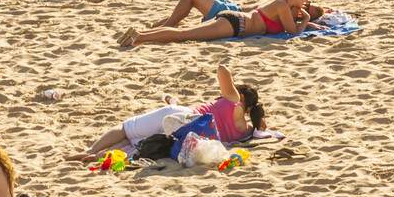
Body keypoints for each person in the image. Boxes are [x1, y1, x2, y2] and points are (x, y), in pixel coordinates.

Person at [68, 65, 266, 164]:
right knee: (136, 145)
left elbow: (222, 70)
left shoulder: (233, 101)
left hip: (183, 116)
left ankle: (90, 150)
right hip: (189, 138)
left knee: (126, 128)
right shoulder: (246, 131)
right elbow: (260, 130)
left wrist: (232, 88)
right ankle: (100, 157)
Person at [119, 0, 324, 47]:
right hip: (235, 25)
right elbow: (293, 32)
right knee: (184, 35)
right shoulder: (282, 5)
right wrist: (305, 19)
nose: (306, 3)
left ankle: (141, 36)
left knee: (185, 33)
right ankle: (140, 37)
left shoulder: (284, 5)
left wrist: (311, 21)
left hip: (235, 22)